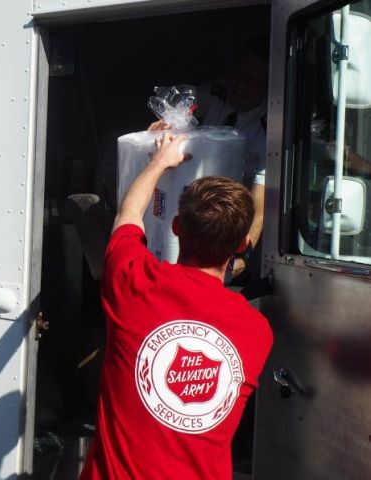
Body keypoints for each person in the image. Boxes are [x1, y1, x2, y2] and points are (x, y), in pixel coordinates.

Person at [79, 133, 273, 479]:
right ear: (243, 243)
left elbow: (129, 215)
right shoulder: (256, 331)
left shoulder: (134, 283)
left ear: (176, 227)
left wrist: (158, 162)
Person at [150, 38, 269, 278]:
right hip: (189, 199)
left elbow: (260, 205)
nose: (240, 84)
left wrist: (243, 258)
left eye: (252, 78)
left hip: (229, 214)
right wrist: (164, 129)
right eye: (238, 74)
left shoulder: (268, 128)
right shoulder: (212, 92)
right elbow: (179, 119)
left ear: (268, 85)